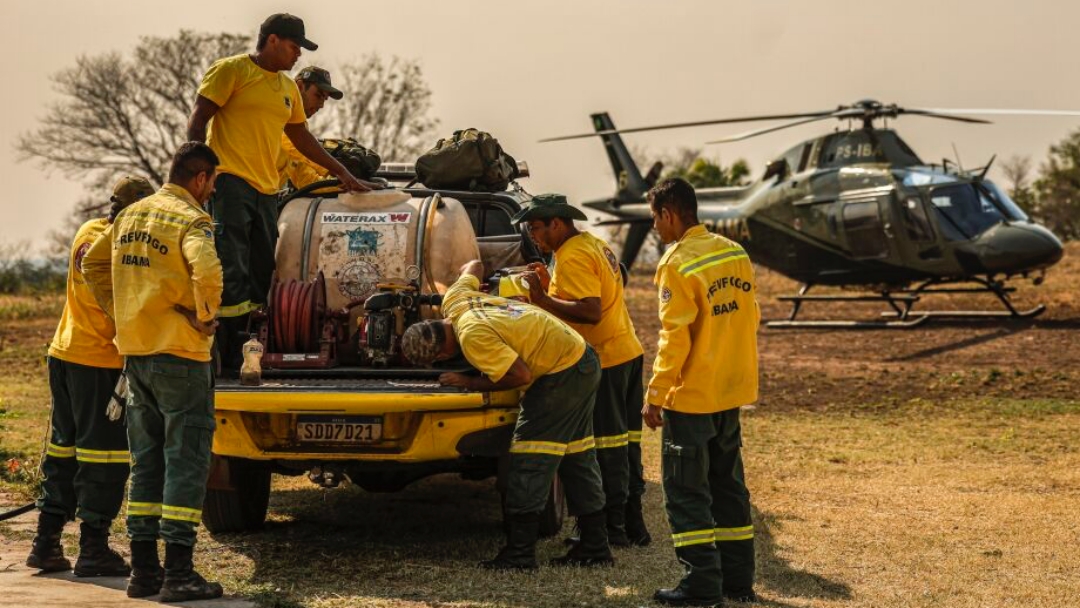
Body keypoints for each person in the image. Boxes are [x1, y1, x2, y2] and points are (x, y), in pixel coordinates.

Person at [186, 13, 378, 372]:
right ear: (272, 40)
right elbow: (199, 119)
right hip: (230, 181)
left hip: (265, 191)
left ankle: (250, 348)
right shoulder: (232, 71)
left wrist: (344, 173)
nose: (297, 56)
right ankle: (223, 352)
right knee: (231, 268)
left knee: (262, 270)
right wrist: (198, 177)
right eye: (294, 47)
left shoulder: (288, 89)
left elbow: (302, 139)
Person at [400, 260, 613, 570]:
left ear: (442, 354)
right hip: (580, 357)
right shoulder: (455, 300)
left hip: (563, 372)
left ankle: (520, 554)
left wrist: (469, 381)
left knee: (529, 456)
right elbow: (473, 266)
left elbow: (520, 375)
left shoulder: (473, 338)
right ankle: (595, 545)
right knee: (576, 453)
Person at [83, 142, 224, 602]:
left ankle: (144, 572)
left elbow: (92, 264)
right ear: (201, 179)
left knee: (146, 462)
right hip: (181, 357)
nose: (211, 192)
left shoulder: (129, 216)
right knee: (186, 460)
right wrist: (204, 315)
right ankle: (179, 573)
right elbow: (208, 269)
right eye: (212, 183)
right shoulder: (191, 219)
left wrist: (119, 312)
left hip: (137, 355)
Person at [26, 176, 154, 577]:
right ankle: (93, 548)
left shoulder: (88, 230)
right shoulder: (120, 245)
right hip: (99, 362)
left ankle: (46, 543)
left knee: (63, 451)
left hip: (63, 353)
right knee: (106, 456)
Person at [643, 178, 760, 607]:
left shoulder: (678, 263)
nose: (656, 228)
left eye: (656, 219)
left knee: (686, 491)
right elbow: (751, 316)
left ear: (669, 215)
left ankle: (701, 584)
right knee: (728, 486)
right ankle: (738, 581)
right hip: (732, 390)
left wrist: (655, 393)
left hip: (691, 397)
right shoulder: (735, 252)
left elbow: (674, 337)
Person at [512, 193, 650, 547]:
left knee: (606, 446)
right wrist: (549, 283)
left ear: (557, 223)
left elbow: (590, 310)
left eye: (537, 228)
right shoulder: (591, 244)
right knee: (627, 443)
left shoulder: (572, 254)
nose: (534, 236)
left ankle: (614, 529)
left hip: (605, 357)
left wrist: (541, 299)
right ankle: (633, 525)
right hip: (627, 351)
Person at [278, 65, 343, 190]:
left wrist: (347, 186)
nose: (322, 105)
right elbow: (294, 146)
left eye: (325, 99)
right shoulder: (280, 108)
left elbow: (305, 178)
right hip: (238, 190)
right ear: (300, 86)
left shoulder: (300, 128)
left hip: (263, 199)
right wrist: (335, 169)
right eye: (318, 95)